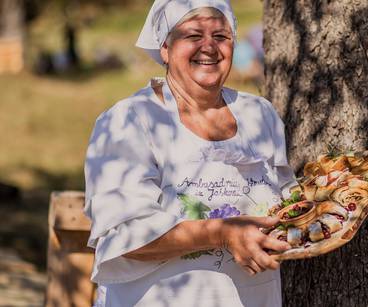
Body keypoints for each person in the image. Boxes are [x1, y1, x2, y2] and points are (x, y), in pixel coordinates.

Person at [84, 0, 296, 306]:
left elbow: (287, 202)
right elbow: (125, 237)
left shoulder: (259, 114)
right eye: (193, 36)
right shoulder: (129, 120)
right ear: (166, 49)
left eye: (221, 36)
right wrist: (221, 232)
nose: (209, 46)